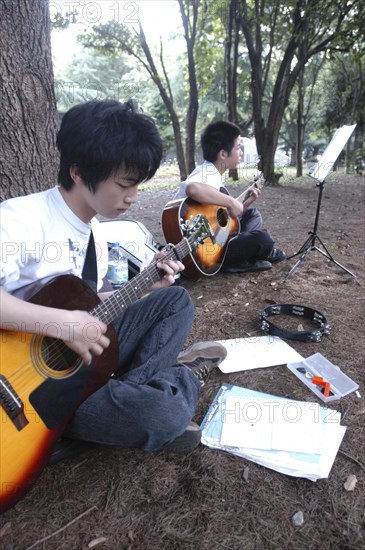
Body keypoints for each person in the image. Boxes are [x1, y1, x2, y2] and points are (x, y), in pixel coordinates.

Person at [0, 99, 227, 462]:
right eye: (125, 184)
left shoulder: (97, 235)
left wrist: (146, 285)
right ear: (78, 171)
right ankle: (174, 380)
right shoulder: (22, 220)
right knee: (165, 414)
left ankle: (118, 394)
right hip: (27, 392)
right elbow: (70, 317)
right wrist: (62, 324)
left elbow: (89, 303)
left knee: (176, 302)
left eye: (138, 185)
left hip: (78, 367)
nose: (133, 197)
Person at [174, 121, 285, 273]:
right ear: (223, 154)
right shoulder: (207, 174)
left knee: (253, 215)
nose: (241, 152)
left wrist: (244, 203)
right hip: (202, 252)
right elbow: (192, 188)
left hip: (213, 238)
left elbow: (221, 220)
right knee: (263, 239)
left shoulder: (212, 173)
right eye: (238, 147)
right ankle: (243, 258)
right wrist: (232, 201)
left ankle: (245, 255)